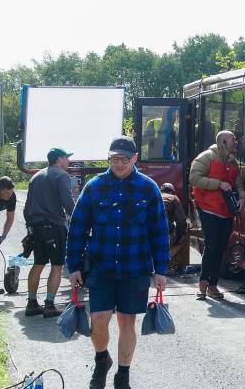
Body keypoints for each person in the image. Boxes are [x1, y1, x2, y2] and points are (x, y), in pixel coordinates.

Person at [66, 136, 169, 389]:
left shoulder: (148, 188)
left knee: (126, 322)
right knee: (98, 321)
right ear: (108, 158)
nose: (119, 164)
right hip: (101, 266)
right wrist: (74, 266)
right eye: (114, 159)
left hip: (134, 267)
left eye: (124, 159)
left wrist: (161, 270)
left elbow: (159, 231)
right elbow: (77, 228)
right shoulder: (94, 187)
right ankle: (102, 360)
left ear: (135, 158)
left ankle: (123, 375)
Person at [189, 130, 245, 300]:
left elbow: (238, 184)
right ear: (222, 142)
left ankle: (213, 285)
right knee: (212, 244)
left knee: (221, 247)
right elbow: (193, 178)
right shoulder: (206, 157)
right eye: (233, 139)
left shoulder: (233, 162)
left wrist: (242, 197)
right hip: (207, 208)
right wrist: (218, 184)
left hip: (226, 211)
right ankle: (204, 283)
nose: (236, 142)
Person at [23, 147, 75, 318]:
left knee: (38, 264)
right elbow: (67, 203)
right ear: (60, 159)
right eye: (67, 158)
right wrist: (80, 220)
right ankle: (50, 305)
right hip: (54, 226)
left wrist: (30, 227)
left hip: (36, 227)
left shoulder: (36, 176)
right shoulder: (62, 175)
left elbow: (27, 207)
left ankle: (31, 304)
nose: (68, 161)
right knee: (57, 265)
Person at [160, 183, 192, 275]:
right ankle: (163, 266)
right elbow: (181, 220)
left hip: (146, 229)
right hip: (163, 229)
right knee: (183, 240)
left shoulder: (154, 196)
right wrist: (179, 236)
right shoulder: (174, 198)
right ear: (171, 191)